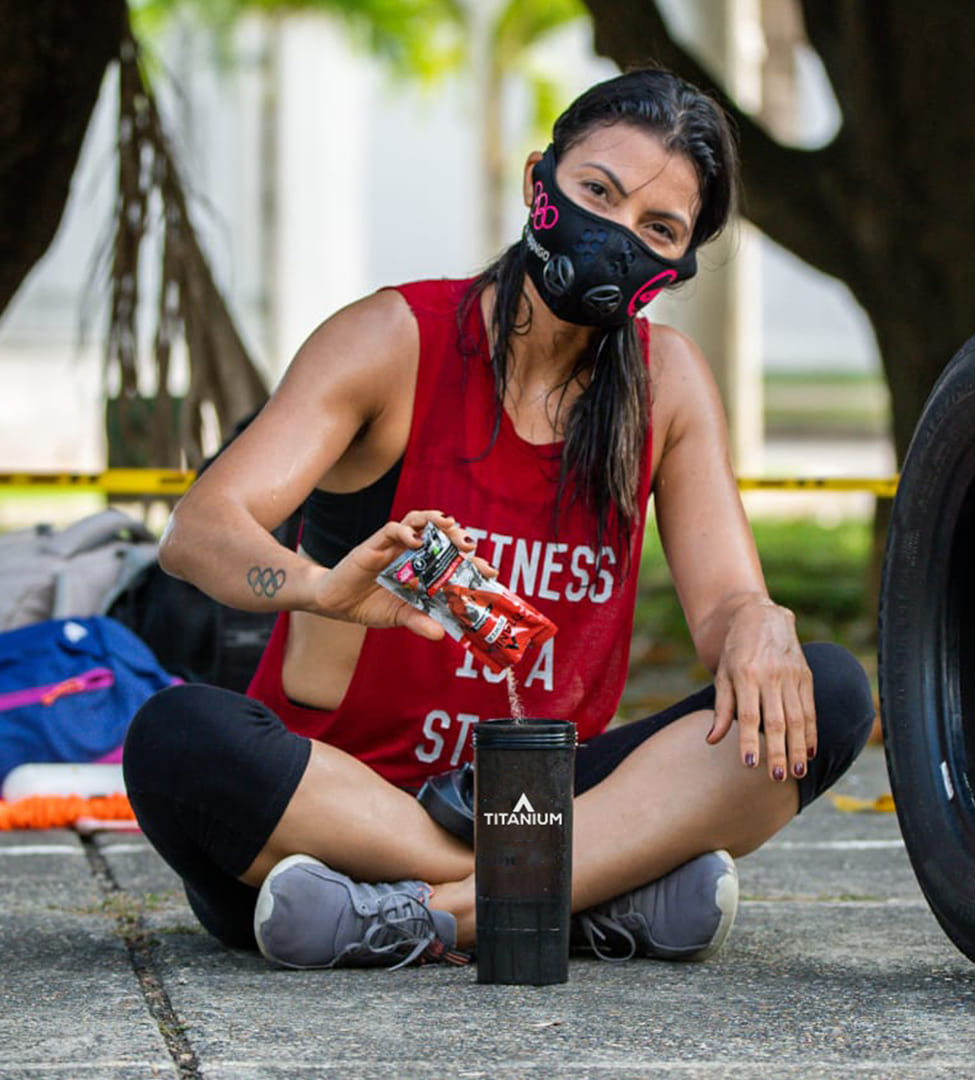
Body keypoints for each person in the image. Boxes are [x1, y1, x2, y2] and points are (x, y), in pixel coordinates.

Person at [123, 68, 875, 970]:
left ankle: (406, 913)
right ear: (539, 183)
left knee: (822, 694)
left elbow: (725, 612)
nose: (615, 235)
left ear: (672, 272)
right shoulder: (394, 339)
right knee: (178, 741)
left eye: (657, 229)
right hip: (335, 795)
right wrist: (322, 587)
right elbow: (200, 530)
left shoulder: (667, 385)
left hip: (536, 790)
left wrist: (757, 624)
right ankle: (575, 897)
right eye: (598, 191)